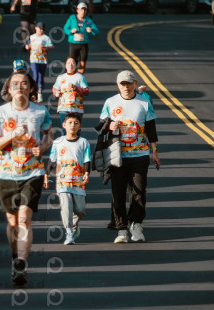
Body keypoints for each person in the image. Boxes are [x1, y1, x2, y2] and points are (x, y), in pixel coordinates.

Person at [0, 72, 52, 286]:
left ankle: (22, 264)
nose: (20, 87)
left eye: (24, 83)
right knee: (13, 221)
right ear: (9, 88)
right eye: (15, 83)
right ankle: (16, 258)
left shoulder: (40, 111)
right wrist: (12, 135)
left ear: (31, 88)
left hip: (32, 172)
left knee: (24, 218)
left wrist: (42, 147)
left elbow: (48, 135)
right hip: (6, 173)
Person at [99, 70, 160, 244]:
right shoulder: (111, 102)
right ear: (118, 85)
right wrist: (109, 126)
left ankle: (137, 224)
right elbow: (100, 126)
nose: (126, 87)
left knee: (138, 191)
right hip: (117, 156)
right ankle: (121, 228)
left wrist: (155, 151)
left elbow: (151, 128)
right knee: (118, 192)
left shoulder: (144, 102)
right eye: (122, 84)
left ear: (135, 84)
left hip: (140, 154)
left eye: (129, 83)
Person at [44, 112, 92, 245]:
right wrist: (46, 174)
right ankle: (69, 233)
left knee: (81, 210)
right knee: (66, 207)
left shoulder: (83, 142)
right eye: (70, 123)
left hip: (78, 180)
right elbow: (52, 160)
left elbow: (87, 159)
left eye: (76, 123)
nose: (72, 126)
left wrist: (86, 173)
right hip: (62, 181)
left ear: (80, 126)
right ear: (64, 125)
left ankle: (74, 224)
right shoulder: (58, 142)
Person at [52, 57, 89, 129]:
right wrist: (56, 93)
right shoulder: (60, 77)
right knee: (65, 129)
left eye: (73, 63)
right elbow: (55, 88)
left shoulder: (80, 77)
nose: (70, 65)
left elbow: (86, 91)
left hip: (76, 108)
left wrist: (75, 88)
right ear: (65, 65)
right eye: (68, 63)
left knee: (76, 130)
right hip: (63, 107)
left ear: (76, 65)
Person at [63, 2, 99, 74]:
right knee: (72, 62)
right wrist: (71, 31)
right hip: (73, 44)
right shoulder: (72, 18)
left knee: (83, 63)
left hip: (84, 44)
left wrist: (91, 30)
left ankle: (80, 77)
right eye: (81, 10)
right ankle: (72, 77)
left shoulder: (88, 20)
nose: (83, 12)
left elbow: (96, 30)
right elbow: (65, 28)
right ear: (77, 10)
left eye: (85, 10)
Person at [25, 21, 54, 103]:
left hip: (43, 60)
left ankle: (40, 91)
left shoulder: (46, 38)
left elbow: (52, 46)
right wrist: (28, 46)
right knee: (35, 75)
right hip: (34, 59)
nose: (41, 30)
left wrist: (44, 46)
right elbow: (26, 46)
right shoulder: (32, 37)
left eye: (42, 29)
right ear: (36, 28)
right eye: (39, 28)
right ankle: (33, 92)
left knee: (41, 76)